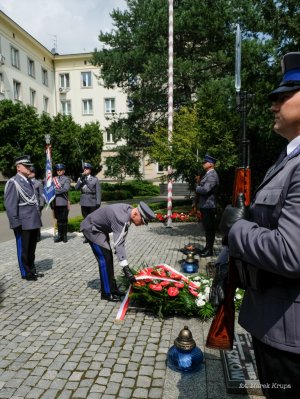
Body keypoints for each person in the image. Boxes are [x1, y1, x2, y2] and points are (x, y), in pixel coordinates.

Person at [222, 52, 300, 399]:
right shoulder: (287, 160)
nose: (273, 105)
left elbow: (290, 252)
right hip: (273, 323)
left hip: (290, 337)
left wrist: (236, 228)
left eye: (283, 96)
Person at [80, 202, 156, 302]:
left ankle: (113, 289)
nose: (142, 224)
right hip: (91, 229)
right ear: (135, 215)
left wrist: (125, 267)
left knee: (108, 257)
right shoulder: (122, 219)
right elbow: (119, 245)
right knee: (104, 259)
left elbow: (120, 242)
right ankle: (106, 293)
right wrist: (126, 269)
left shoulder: (128, 210)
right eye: (143, 221)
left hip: (100, 229)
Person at [4, 155, 44, 281]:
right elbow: (10, 206)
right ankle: (25, 273)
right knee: (24, 249)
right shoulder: (13, 182)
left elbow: (33, 201)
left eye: (29, 166)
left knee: (31, 248)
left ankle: (32, 270)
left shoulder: (29, 182)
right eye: (26, 166)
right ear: (18, 167)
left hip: (32, 220)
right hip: (23, 222)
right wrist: (16, 224)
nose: (29, 168)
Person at [195, 154, 219, 257]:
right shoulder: (207, 174)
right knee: (207, 229)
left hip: (209, 206)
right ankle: (207, 248)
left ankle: (209, 251)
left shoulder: (212, 175)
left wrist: (197, 187)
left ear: (211, 164)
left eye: (205, 162)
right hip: (205, 206)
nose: (203, 164)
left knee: (209, 229)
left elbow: (205, 190)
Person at [75, 162, 101, 243]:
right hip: (84, 201)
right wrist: (80, 180)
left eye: (86, 169)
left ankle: (93, 235)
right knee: (85, 220)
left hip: (92, 201)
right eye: (84, 169)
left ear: (90, 170)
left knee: (92, 220)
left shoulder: (94, 179)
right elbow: (76, 188)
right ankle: (87, 236)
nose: (85, 170)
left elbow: (98, 191)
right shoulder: (81, 178)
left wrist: (98, 202)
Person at [53, 163, 71, 243]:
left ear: (63, 171)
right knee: (58, 220)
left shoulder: (66, 179)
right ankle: (59, 235)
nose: (59, 171)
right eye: (57, 170)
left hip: (63, 202)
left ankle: (64, 235)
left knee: (64, 219)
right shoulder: (54, 179)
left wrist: (54, 191)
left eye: (60, 170)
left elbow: (65, 189)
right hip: (55, 202)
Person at [29, 165, 45, 242]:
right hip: (29, 206)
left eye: (32, 172)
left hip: (37, 206)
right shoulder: (26, 182)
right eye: (29, 172)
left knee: (37, 221)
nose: (30, 173)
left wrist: (41, 205)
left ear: (34, 173)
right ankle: (31, 236)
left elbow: (41, 195)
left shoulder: (38, 183)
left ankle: (37, 236)